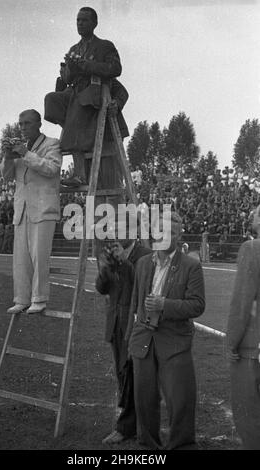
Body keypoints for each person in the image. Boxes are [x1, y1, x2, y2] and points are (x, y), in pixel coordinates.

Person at [126, 211, 205, 450]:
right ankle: (148, 445)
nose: (164, 236)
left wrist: (164, 305)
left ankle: (182, 445)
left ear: (179, 235)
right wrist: (132, 338)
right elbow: (134, 304)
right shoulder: (142, 263)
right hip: (144, 340)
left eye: (170, 232)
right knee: (144, 399)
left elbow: (198, 305)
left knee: (180, 399)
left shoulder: (191, 265)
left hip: (174, 341)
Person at [44, 6, 129, 190]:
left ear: (94, 23)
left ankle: (80, 174)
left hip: (93, 93)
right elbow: (67, 79)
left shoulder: (105, 46)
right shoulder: (74, 48)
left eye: (84, 20)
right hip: (75, 94)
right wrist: (69, 70)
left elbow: (115, 69)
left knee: (77, 110)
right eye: (78, 20)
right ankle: (77, 130)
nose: (80, 23)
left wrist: (87, 65)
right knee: (51, 100)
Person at [0, 109, 62, 315]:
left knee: (39, 255)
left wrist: (25, 154)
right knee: (21, 258)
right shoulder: (20, 148)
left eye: (27, 123)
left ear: (38, 125)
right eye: (20, 124)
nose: (23, 128)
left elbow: (51, 169)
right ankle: (22, 298)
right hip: (22, 209)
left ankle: (39, 298)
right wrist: (8, 156)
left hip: (43, 208)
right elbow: (7, 176)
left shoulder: (52, 144)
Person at [95, 235, 151, 444]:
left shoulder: (144, 255)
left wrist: (124, 262)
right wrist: (106, 268)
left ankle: (127, 426)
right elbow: (101, 288)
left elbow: (141, 285)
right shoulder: (109, 254)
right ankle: (132, 421)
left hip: (134, 324)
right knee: (122, 372)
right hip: (115, 323)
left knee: (131, 373)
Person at [226, 205, 260, 450]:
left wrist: (231, 342)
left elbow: (242, 302)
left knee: (249, 412)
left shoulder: (252, 248)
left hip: (254, 346)